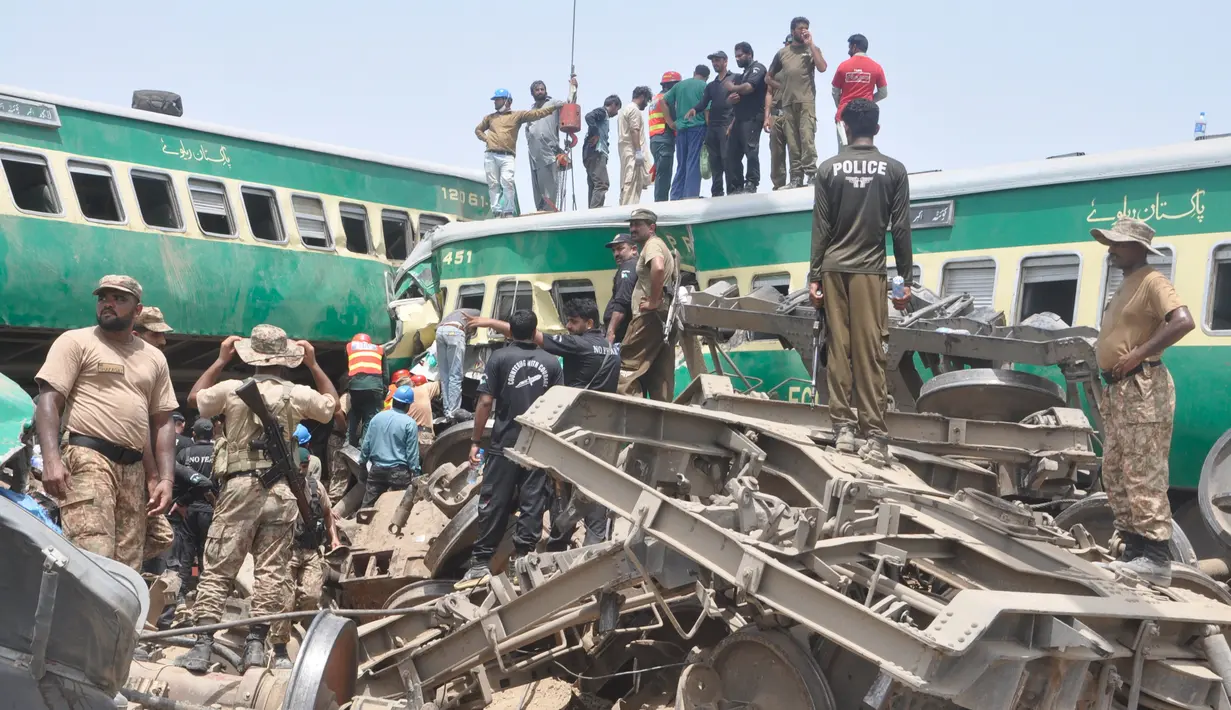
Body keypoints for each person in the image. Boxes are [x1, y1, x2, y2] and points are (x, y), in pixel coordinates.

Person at [179, 324, 337, 673]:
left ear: (251, 356)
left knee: (219, 566)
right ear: (286, 359)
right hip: (281, 492)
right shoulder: (297, 392)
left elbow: (194, 400)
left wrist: (220, 361)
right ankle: (256, 644)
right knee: (271, 572)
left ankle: (203, 645)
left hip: (239, 489)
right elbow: (331, 406)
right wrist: (313, 365)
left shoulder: (230, 389)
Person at [34, 275, 177, 571]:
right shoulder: (76, 341)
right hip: (88, 458)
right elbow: (49, 401)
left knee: (126, 568)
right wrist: (51, 459)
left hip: (134, 468)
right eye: (103, 298)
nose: (108, 304)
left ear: (137, 311)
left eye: (119, 299)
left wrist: (164, 478)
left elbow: (161, 423)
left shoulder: (154, 358)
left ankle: (114, 619)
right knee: (92, 556)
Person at [809, 99, 911, 468]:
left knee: (840, 348)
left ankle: (844, 430)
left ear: (846, 128)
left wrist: (814, 277)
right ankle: (876, 435)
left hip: (834, 268)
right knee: (871, 350)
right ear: (877, 129)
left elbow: (821, 228)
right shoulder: (894, 171)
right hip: (871, 270)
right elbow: (900, 230)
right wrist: (904, 283)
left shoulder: (829, 170)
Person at [465, 299, 617, 548]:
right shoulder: (610, 348)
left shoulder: (578, 345)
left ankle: (562, 544)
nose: (568, 326)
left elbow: (529, 334)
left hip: (574, 429)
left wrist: (490, 322)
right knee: (594, 484)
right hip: (602, 429)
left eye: (573, 322)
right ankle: (591, 541)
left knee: (559, 488)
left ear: (589, 323)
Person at [1092, 217, 1195, 586]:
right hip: (1119, 392)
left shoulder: (1153, 280)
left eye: (1118, 244)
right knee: (1117, 471)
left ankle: (1155, 557)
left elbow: (1183, 321)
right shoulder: (1125, 285)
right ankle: (1135, 552)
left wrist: (1138, 355)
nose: (1111, 249)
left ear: (1139, 248)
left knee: (1143, 471)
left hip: (1142, 388)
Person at [458, 310, 563, 586]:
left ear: (511, 332)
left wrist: (475, 441)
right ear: (534, 330)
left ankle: (481, 563)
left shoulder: (500, 358)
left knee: (494, 501)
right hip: (538, 446)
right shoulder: (552, 363)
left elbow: (484, 402)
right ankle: (523, 561)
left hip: (505, 442)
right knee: (532, 503)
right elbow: (560, 407)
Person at [269, 444, 341, 669]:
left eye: (304, 466)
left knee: (312, 595)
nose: (301, 469)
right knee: (284, 600)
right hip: (287, 552)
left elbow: (328, 515)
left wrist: (334, 539)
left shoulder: (315, 487)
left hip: (310, 551)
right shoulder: (279, 487)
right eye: (299, 465)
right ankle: (279, 648)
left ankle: (290, 624)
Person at [476, 86, 568, 217]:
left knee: (507, 182)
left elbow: (537, 114)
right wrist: (487, 140)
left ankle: (508, 211)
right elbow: (478, 130)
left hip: (507, 156)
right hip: (490, 155)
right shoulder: (490, 118)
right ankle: (496, 211)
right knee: (493, 184)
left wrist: (554, 107)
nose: (495, 102)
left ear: (507, 101)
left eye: (498, 99)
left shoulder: (517, 116)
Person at [617, 209, 678, 400]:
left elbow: (658, 267)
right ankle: (664, 416)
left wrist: (653, 301)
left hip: (648, 318)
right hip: (663, 318)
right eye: (631, 225)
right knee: (661, 374)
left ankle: (631, 414)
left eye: (638, 225)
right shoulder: (658, 245)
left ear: (651, 228)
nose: (633, 229)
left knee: (626, 366)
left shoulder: (652, 245)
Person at [768, 17, 828, 188]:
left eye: (806, 28)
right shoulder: (782, 53)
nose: (804, 31)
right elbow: (768, 77)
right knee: (793, 142)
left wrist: (811, 44)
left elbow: (823, 67)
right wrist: (783, 86)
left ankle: (812, 174)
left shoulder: (812, 50)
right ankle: (796, 178)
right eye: (800, 28)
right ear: (792, 31)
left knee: (807, 138)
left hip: (806, 101)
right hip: (787, 104)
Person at [166, 418, 216, 622]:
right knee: (209, 556)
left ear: (193, 435)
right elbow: (216, 483)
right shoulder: (218, 453)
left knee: (186, 556)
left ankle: (180, 598)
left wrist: (182, 501)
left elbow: (179, 480)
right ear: (212, 435)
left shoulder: (185, 453)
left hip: (188, 511)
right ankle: (206, 601)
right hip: (211, 511)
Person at [358, 385, 421, 509]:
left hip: (377, 469)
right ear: (408, 405)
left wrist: (362, 465)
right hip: (399, 473)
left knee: (367, 508)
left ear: (394, 400)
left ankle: (360, 527)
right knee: (401, 508)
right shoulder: (409, 423)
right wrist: (416, 473)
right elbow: (412, 453)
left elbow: (366, 444)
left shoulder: (377, 418)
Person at [525, 77, 579, 212]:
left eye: (542, 89)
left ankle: (550, 211)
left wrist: (573, 88)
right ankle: (540, 211)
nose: (540, 92)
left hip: (548, 151)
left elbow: (569, 105)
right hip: (533, 154)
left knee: (550, 187)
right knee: (537, 188)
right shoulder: (531, 110)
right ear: (532, 93)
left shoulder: (553, 103)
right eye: (537, 90)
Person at [686, 52, 735, 197]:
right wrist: (694, 109)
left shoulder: (735, 79)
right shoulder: (712, 85)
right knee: (714, 160)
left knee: (728, 159)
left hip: (727, 124)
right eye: (713, 61)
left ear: (725, 61)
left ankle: (732, 190)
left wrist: (733, 123)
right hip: (712, 127)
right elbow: (703, 102)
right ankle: (717, 192)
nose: (715, 63)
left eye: (718, 60)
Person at [725, 42, 768, 194]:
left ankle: (751, 182)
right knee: (732, 153)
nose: (737, 59)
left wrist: (733, 88)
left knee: (751, 151)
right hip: (739, 119)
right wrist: (732, 98)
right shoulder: (742, 74)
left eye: (740, 55)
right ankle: (736, 186)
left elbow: (749, 87)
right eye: (735, 56)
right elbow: (731, 98)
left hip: (753, 117)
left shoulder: (758, 68)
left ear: (749, 54)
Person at [831, 34, 887, 149]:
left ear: (854, 47)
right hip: (866, 116)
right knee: (864, 151)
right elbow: (883, 93)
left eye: (849, 47)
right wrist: (869, 101)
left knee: (844, 154)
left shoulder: (843, 67)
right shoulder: (876, 67)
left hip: (844, 117)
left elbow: (835, 92)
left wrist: (841, 106)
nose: (848, 51)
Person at [664, 66, 709, 200]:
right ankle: (691, 196)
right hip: (698, 127)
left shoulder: (680, 86)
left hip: (681, 128)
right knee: (693, 162)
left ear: (694, 73)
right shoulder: (704, 86)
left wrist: (670, 122)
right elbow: (707, 110)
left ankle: (676, 196)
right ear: (707, 77)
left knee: (681, 163)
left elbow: (663, 101)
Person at [435, 307, 481, 421]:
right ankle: (454, 412)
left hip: (440, 332)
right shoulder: (480, 313)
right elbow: (475, 331)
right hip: (455, 331)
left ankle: (447, 411)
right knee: (455, 375)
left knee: (444, 376)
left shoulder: (455, 312)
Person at [345, 333, 384, 446]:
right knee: (369, 417)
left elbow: (347, 368)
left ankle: (348, 442)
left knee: (355, 413)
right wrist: (384, 392)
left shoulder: (350, 347)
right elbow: (385, 373)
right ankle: (363, 446)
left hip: (355, 387)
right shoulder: (379, 349)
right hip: (374, 388)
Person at [618, 86, 654, 205]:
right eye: (647, 100)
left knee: (629, 181)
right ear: (642, 97)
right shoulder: (634, 110)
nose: (646, 104)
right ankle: (628, 209)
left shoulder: (625, 109)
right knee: (631, 180)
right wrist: (638, 151)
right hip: (633, 152)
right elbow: (635, 130)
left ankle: (626, 205)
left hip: (626, 151)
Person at [764, 35, 792, 191]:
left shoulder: (800, 63)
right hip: (776, 112)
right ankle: (778, 184)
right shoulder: (776, 65)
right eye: (786, 44)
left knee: (797, 149)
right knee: (776, 152)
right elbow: (769, 92)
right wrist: (766, 116)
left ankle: (797, 180)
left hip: (793, 112)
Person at [583, 96, 621, 209]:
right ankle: (594, 212)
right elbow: (589, 116)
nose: (617, 112)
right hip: (596, 152)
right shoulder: (602, 112)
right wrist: (595, 134)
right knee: (601, 183)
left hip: (590, 154)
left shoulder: (603, 116)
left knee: (594, 184)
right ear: (613, 105)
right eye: (617, 109)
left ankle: (591, 210)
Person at [649, 72, 680, 203]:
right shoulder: (667, 98)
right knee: (664, 175)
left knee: (661, 173)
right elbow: (674, 118)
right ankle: (660, 204)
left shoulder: (655, 99)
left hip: (655, 140)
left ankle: (659, 201)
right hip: (664, 138)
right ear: (672, 85)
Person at [604, 233, 640, 344]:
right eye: (613, 251)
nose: (616, 254)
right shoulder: (636, 266)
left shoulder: (628, 266)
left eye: (620, 249)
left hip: (623, 335)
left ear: (633, 249)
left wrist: (611, 331)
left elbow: (622, 302)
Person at [407, 373, 442, 451]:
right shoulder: (424, 388)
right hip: (424, 436)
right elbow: (442, 382)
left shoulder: (404, 395)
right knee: (429, 461)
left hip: (409, 435)